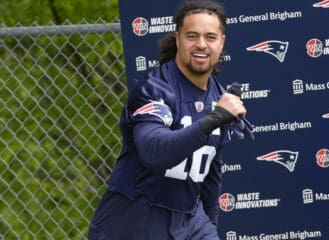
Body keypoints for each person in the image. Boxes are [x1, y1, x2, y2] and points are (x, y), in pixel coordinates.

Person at [88, 0, 250, 239]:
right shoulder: (154, 90)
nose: (201, 45)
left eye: (210, 37)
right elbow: (154, 152)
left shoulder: (218, 94)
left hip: (188, 221)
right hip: (132, 222)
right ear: (178, 39)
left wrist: (211, 228)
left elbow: (210, 173)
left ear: (221, 43)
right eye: (192, 36)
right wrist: (213, 119)